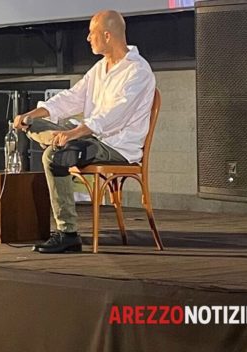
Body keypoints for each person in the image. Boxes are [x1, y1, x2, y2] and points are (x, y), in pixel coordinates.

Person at [13, 10, 156, 254]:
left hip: (116, 146)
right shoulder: (100, 68)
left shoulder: (138, 71)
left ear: (108, 35)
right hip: (89, 137)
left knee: (53, 157)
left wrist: (73, 133)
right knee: (32, 125)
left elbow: (112, 117)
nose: (88, 38)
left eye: (92, 33)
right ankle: (57, 142)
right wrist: (31, 115)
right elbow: (72, 98)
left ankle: (68, 233)